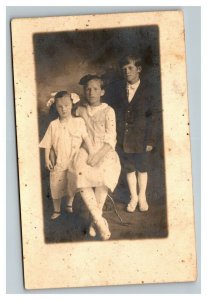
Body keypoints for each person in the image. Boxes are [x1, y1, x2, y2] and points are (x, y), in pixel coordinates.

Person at [71, 74, 121, 240]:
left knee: (103, 173)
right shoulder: (80, 110)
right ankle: (99, 221)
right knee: (79, 172)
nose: (91, 92)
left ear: (102, 92)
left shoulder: (108, 111)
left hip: (104, 150)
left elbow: (111, 138)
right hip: (86, 148)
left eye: (95, 89)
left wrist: (98, 156)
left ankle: (94, 220)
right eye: (88, 89)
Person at [110, 54, 155, 213]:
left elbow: (153, 116)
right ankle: (133, 196)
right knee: (128, 167)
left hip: (142, 138)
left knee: (142, 167)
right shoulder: (118, 89)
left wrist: (150, 140)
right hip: (124, 138)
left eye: (130, 68)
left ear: (139, 69)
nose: (127, 71)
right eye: (124, 69)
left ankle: (142, 196)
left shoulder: (149, 89)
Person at [39, 91, 93, 220]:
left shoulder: (78, 122)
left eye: (67, 105)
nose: (64, 109)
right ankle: (56, 210)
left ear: (72, 105)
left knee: (71, 184)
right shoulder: (54, 124)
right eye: (60, 107)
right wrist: (47, 159)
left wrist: (92, 153)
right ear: (55, 108)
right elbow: (47, 144)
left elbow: (86, 139)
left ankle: (69, 204)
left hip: (74, 160)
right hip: (60, 160)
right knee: (56, 185)